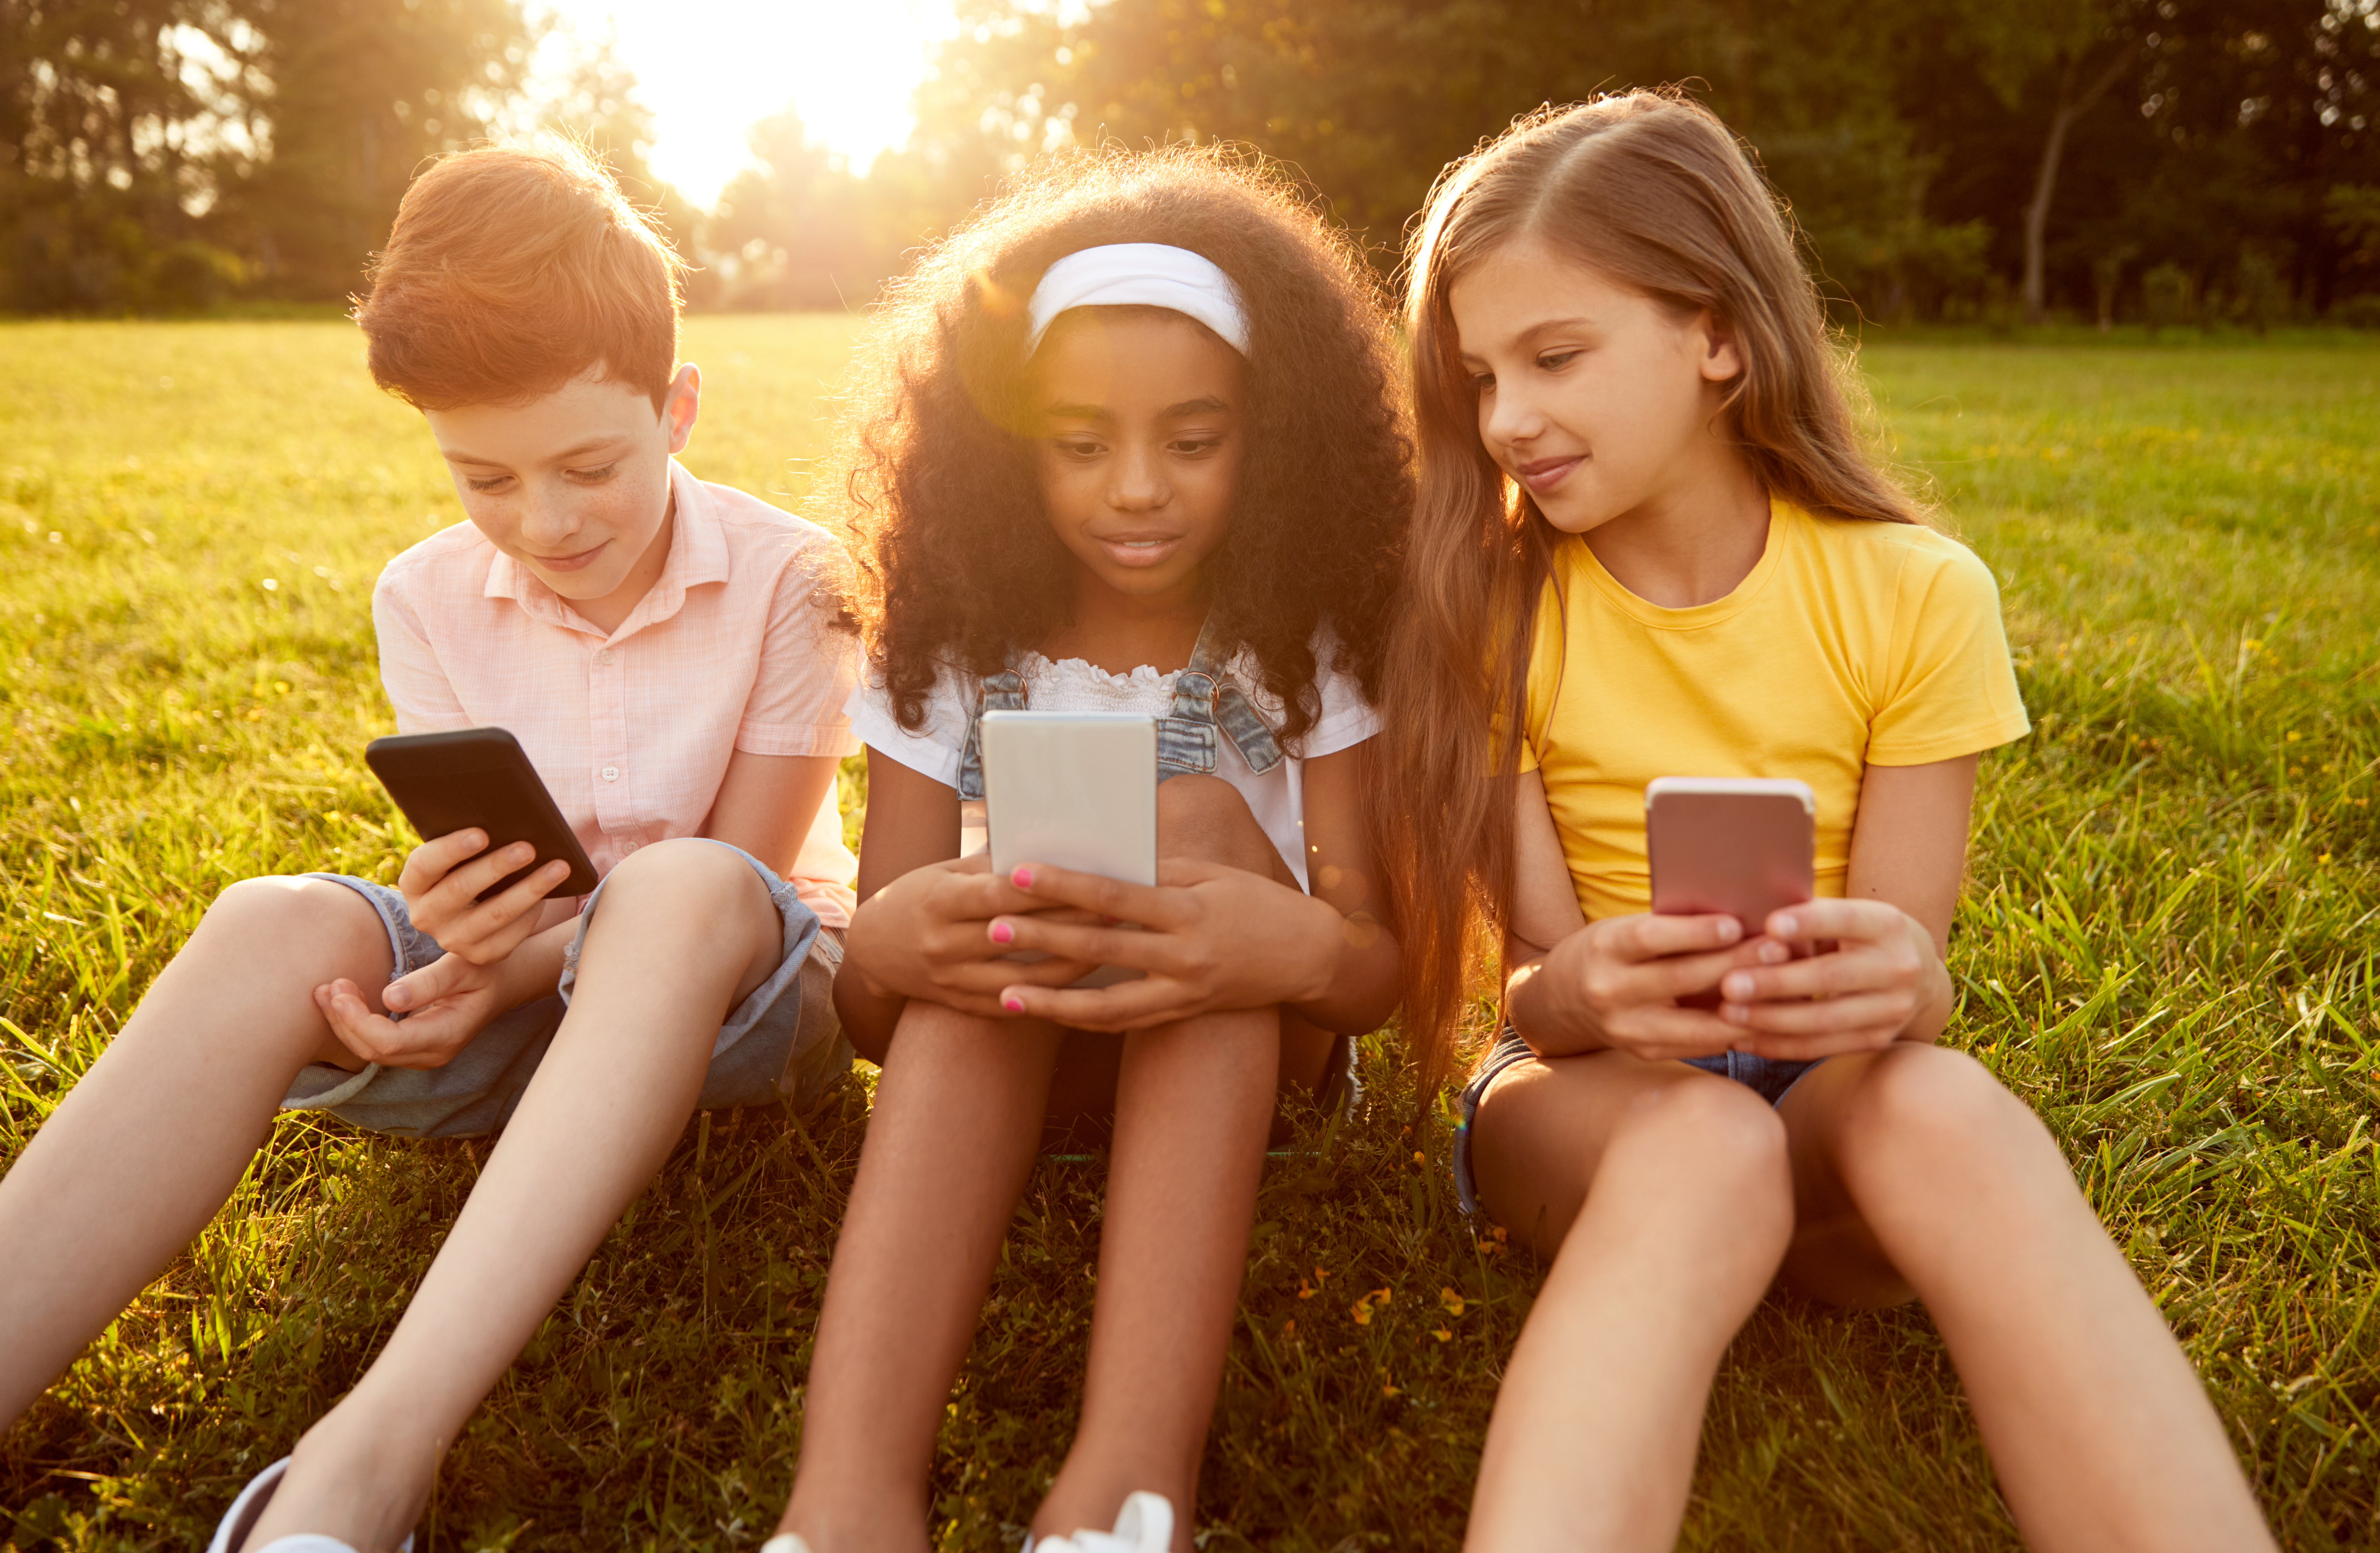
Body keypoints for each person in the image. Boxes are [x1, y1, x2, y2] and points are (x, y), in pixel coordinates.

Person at [1375, 92, 2276, 1552]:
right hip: (1598, 1111)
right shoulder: (1498, 606)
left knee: (1950, 1108)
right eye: (1481, 375)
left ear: (1720, 335)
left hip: (1826, 1118)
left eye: (1556, 356)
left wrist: (1902, 975)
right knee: (1701, 1146)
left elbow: (1911, 973)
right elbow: (1533, 989)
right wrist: (1584, 983)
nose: (1508, 418)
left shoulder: (1918, 594)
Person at [0, 142, 862, 1553]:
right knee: (273, 919)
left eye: (590, 464)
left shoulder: (791, 577)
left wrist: (508, 973)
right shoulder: (426, 594)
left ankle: (361, 1465)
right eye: (485, 477)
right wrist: (465, 937)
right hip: (528, 974)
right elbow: (491, 871)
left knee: (672, 885)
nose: (544, 522)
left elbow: (736, 880)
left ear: (679, 408)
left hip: (744, 993)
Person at [765, 148, 1409, 1553]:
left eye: (1194, 442)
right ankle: (847, 1505)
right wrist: (908, 929)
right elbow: (879, 993)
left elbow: (1371, 971)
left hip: (1248, 1048)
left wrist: (1271, 928)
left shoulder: (1306, 644)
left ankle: (1126, 1495)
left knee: (1187, 835)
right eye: (1079, 445)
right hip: (1015, 1033)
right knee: (1002, 913)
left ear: (1273, 435)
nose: (1136, 490)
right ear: (1010, 448)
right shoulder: (950, 641)